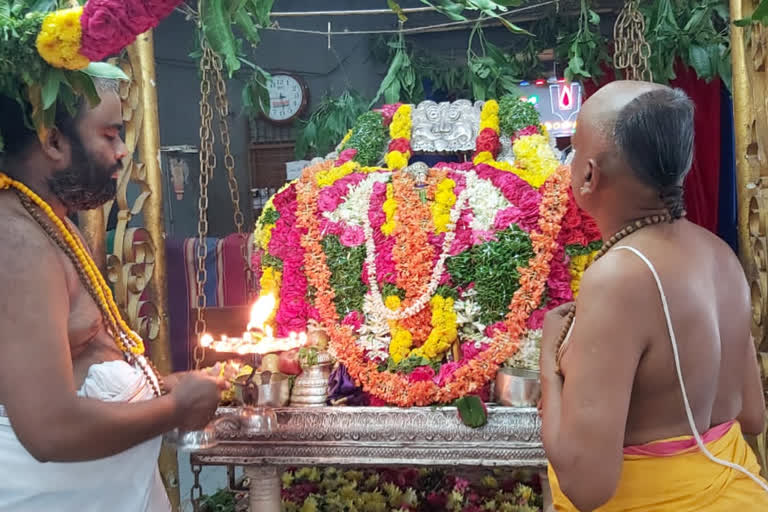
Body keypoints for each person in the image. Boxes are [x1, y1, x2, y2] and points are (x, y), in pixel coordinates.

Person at [539, 80, 768, 511]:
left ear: (589, 175)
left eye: (572, 153)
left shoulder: (619, 277)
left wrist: (550, 362)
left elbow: (587, 486)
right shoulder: (719, 254)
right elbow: (752, 415)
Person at [0, 78, 226, 511]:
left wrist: (158, 387)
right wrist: (176, 407)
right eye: (108, 135)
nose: (123, 150)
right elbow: (50, 429)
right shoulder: (15, 241)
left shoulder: (49, 219)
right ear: (52, 141)